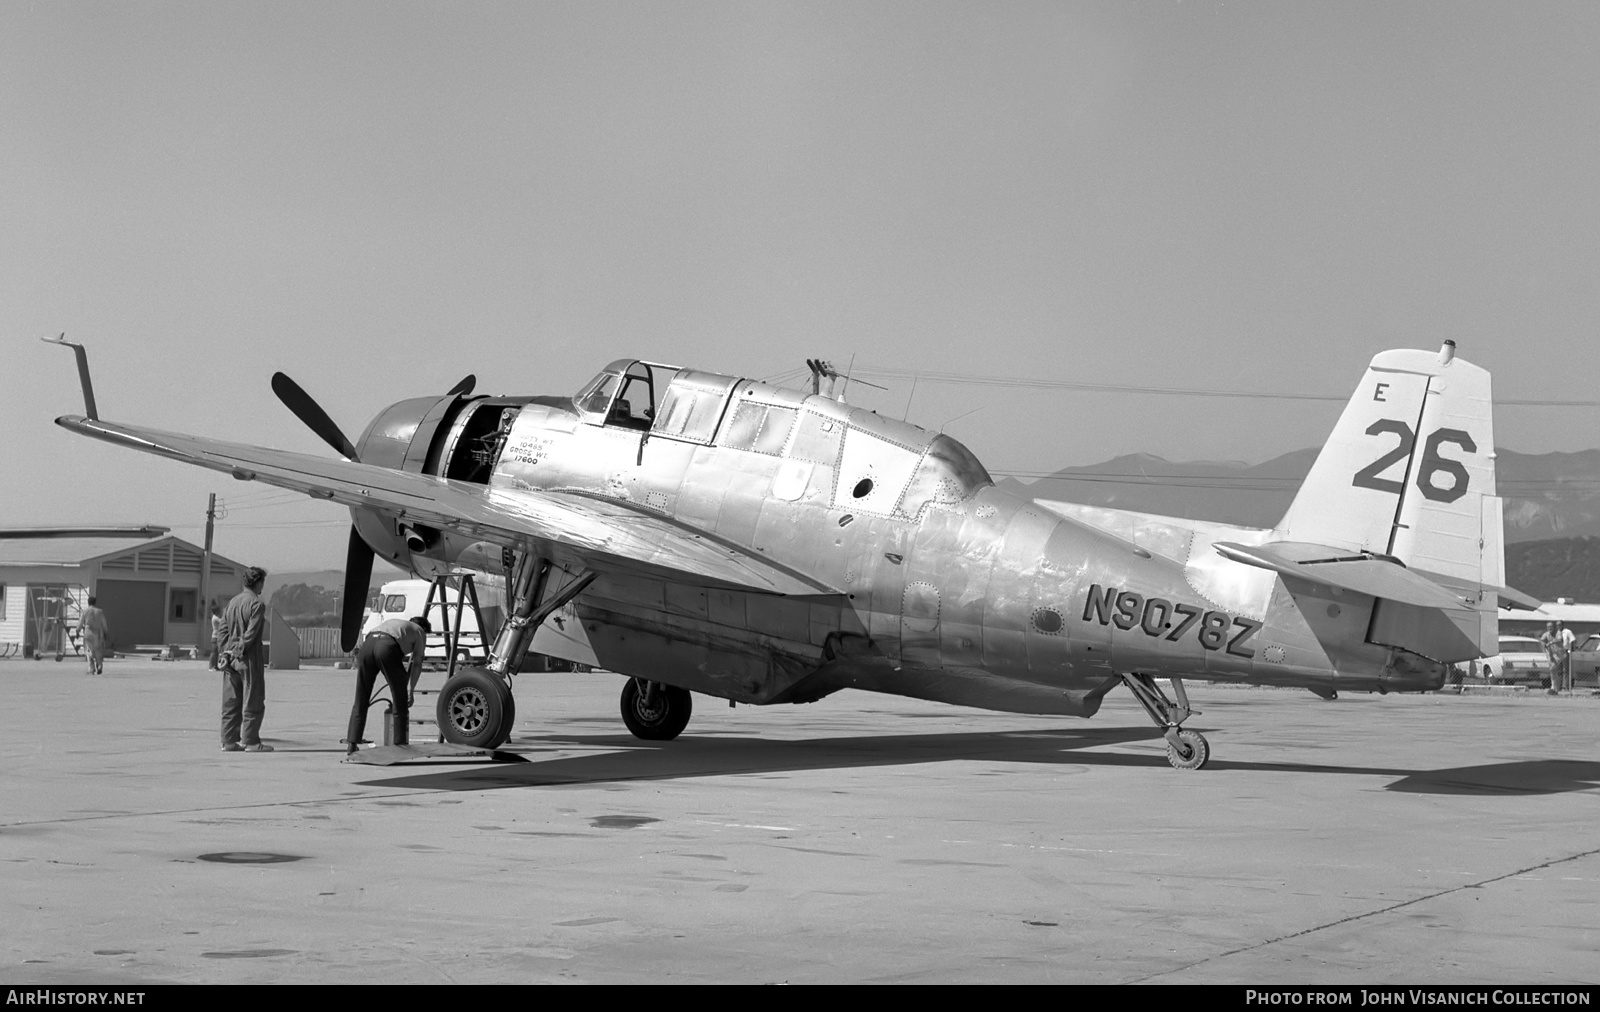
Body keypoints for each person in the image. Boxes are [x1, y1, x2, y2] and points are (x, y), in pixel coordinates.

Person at [345, 615, 432, 755]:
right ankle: (400, 744)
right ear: (424, 628)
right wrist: (411, 690)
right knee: (400, 697)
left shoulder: (396, 623)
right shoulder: (419, 631)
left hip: (367, 647)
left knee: (361, 697)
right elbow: (417, 664)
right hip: (386, 647)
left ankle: (352, 743)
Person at [216, 567, 271, 752]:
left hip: (229, 659)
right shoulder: (257, 604)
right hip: (248, 658)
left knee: (230, 701)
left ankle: (228, 741)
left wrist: (225, 652)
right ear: (258, 582)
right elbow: (251, 634)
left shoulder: (232, 602)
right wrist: (238, 650)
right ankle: (251, 742)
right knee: (253, 699)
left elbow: (222, 631)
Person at [79, 596, 110, 676]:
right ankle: (99, 665)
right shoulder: (99, 612)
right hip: (98, 632)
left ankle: (91, 668)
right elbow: (104, 623)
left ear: (88, 602)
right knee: (98, 649)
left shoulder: (85, 611)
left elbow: (80, 622)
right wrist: (106, 633)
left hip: (88, 631)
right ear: (95, 602)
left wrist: (77, 631)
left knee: (89, 650)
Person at [1539, 621, 1568, 695]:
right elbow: (1542, 640)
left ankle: (1554, 687)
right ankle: (1555, 688)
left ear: (1554, 627)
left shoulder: (1558, 632)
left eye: (1551, 626)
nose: (1550, 628)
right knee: (1553, 671)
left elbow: (1559, 639)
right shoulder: (1546, 634)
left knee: (1553, 669)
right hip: (1552, 655)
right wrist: (1544, 644)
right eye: (1548, 627)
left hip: (1560, 654)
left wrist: (1550, 643)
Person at [207, 604, 223, 670]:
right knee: (213, 652)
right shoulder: (215, 617)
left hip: (218, 636)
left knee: (216, 653)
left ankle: (215, 666)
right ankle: (211, 667)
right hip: (215, 636)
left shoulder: (216, 617)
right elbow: (222, 621)